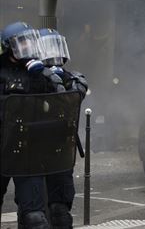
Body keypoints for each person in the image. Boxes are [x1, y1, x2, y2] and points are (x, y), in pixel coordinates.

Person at [0, 22, 65, 228]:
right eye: (22, 42)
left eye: (30, 41)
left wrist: (51, 76)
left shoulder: (38, 73)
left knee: (35, 217)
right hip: (1, 146)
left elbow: (61, 100)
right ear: (9, 46)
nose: (28, 46)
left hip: (27, 151)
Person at [39, 28, 88, 228]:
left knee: (60, 209)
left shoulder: (71, 78)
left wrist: (59, 80)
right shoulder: (33, 77)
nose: (54, 54)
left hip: (61, 150)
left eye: (57, 47)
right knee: (34, 211)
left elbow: (76, 96)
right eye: (49, 48)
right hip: (34, 150)